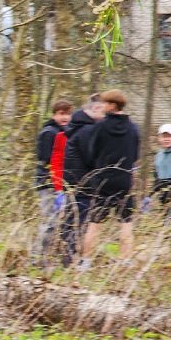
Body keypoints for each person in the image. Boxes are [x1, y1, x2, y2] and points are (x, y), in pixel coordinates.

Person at [78, 89, 140, 266]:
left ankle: (86, 260)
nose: (102, 106)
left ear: (112, 105)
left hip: (102, 180)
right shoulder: (133, 128)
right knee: (126, 223)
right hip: (124, 181)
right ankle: (126, 260)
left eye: (105, 103)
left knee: (94, 222)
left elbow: (90, 153)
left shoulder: (99, 127)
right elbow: (135, 155)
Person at [57, 94, 104, 265]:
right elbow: (90, 157)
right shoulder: (86, 130)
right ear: (96, 108)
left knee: (72, 219)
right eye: (103, 111)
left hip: (73, 181)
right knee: (77, 220)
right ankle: (68, 259)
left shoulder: (78, 126)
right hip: (81, 182)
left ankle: (66, 256)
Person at [32, 99, 73, 260]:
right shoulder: (49, 132)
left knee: (58, 222)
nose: (65, 117)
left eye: (68, 114)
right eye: (61, 114)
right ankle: (37, 257)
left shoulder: (66, 132)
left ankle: (48, 254)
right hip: (48, 182)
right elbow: (46, 158)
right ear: (54, 114)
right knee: (49, 221)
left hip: (60, 182)